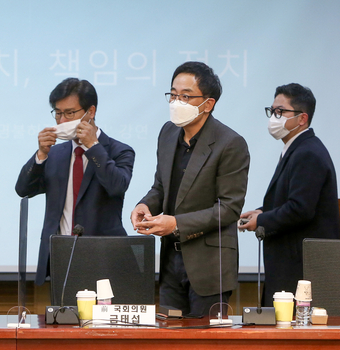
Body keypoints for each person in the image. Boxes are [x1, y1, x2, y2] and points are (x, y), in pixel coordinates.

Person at [130, 62, 250, 316]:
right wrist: (145, 205)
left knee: (205, 349)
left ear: (208, 104)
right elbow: (161, 186)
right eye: (173, 95)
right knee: (168, 345)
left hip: (209, 266)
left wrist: (176, 224)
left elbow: (228, 209)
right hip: (170, 261)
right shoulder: (168, 132)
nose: (176, 102)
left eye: (185, 96)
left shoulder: (230, 143)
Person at [15, 78, 135, 286]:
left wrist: (93, 146)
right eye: (58, 113)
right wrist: (41, 154)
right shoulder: (55, 154)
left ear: (91, 112)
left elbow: (117, 186)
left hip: (105, 258)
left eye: (70, 113)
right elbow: (23, 189)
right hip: (61, 258)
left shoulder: (119, 150)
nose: (62, 121)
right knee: (62, 318)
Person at [239, 83, 340, 307]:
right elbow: (292, 199)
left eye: (280, 112)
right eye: (272, 111)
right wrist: (262, 212)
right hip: (291, 267)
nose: (274, 118)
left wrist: (262, 221)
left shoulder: (308, 153)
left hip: (302, 271)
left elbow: (301, 209)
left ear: (302, 118)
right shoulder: (297, 149)